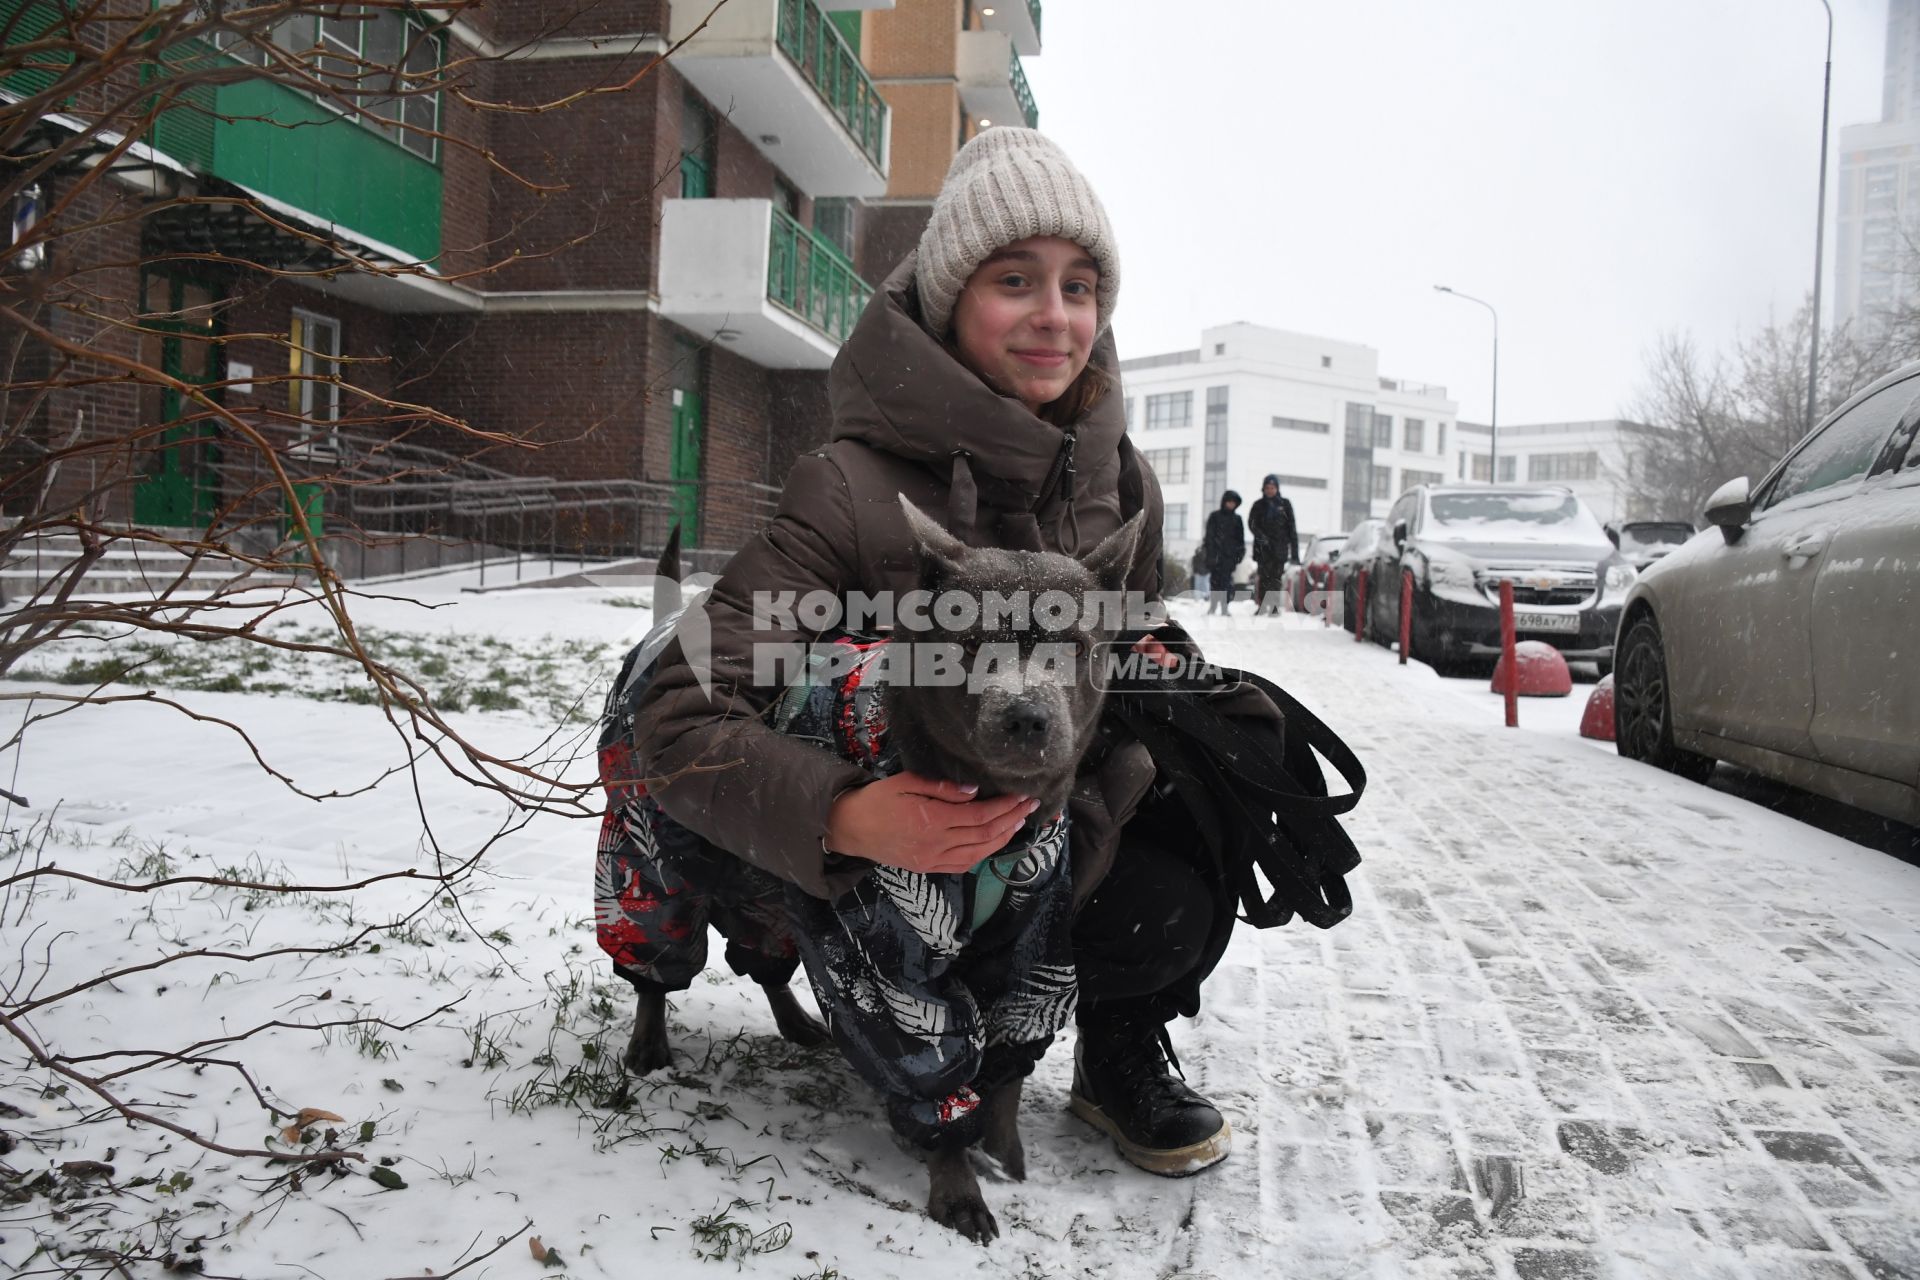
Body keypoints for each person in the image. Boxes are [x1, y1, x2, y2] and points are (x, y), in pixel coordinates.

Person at [633, 129, 1234, 1176]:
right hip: (898, 846)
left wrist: (1210, 707)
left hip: (1040, 825)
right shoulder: (851, 488)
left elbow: (1122, 656)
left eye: (1081, 285)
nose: (1058, 316)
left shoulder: (1118, 479)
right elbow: (677, 710)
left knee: (1188, 830)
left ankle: (1118, 1043)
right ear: (952, 293)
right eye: (1016, 279)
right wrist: (843, 814)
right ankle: (894, 1015)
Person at [1248, 473, 1298, 616]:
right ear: (1263, 489)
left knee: (1276, 579)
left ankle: (1275, 607)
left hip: (1279, 549)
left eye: (1272, 487)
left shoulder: (1285, 504)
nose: (1270, 490)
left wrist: (1294, 553)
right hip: (1262, 549)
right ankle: (1262, 606)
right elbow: (1252, 524)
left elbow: (1292, 528)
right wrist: (1262, 538)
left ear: (1277, 488)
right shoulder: (1258, 505)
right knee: (1263, 578)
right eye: (1267, 487)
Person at [1201, 490, 1245, 616]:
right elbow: (1209, 537)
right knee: (1215, 582)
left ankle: (1225, 608)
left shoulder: (1237, 519)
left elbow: (1240, 539)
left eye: (1233, 502)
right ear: (1224, 502)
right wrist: (1209, 554)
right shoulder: (1215, 516)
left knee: (1226, 583)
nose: (1231, 504)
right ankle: (1213, 606)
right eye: (1229, 501)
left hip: (1229, 557)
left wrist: (1239, 555)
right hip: (1215, 556)